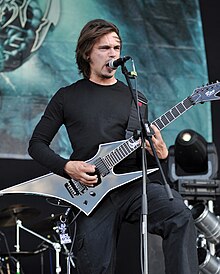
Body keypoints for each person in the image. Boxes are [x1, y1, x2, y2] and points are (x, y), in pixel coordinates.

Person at [28, 19, 199, 274]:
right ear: (87, 53)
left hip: (132, 186)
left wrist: (160, 154)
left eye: (116, 48)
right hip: (91, 193)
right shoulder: (67, 97)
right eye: (104, 48)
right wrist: (67, 167)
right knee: (97, 265)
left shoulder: (136, 99)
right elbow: (36, 145)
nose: (112, 54)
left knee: (179, 215)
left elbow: (146, 158)